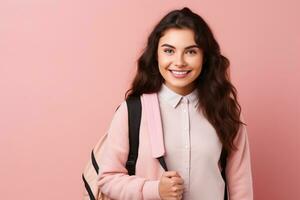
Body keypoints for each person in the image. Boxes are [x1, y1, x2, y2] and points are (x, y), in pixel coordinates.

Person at [97, 7, 253, 200]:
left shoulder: (226, 110)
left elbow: (241, 188)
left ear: (205, 57)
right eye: (169, 51)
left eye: (191, 52)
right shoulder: (132, 111)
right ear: (156, 55)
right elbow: (107, 179)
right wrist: (155, 190)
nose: (179, 62)